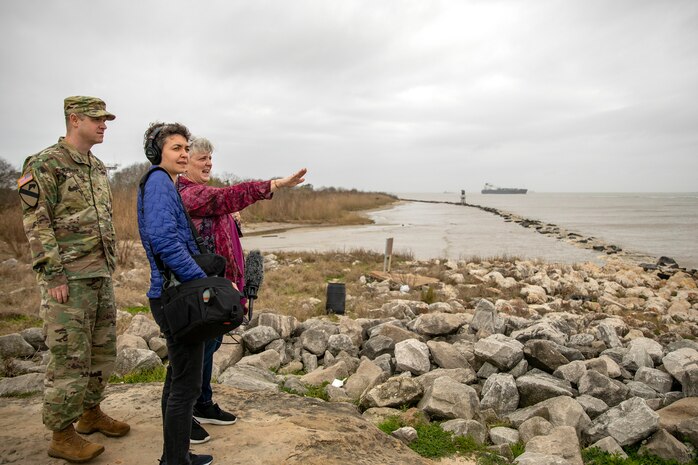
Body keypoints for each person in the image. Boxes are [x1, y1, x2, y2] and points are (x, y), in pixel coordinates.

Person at [18, 96, 129, 463]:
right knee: (69, 356)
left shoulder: (96, 167)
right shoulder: (44, 163)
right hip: (68, 278)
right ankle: (61, 434)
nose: (103, 125)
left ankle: (90, 413)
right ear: (74, 119)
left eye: (106, 119)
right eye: (97, 119)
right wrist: (52, 273)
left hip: (99, 273)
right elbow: (38, 222)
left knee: (101, 349)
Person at [178, 137, 306, 443]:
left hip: (223, 285)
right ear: (186, 163)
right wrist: (274, 184)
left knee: (210, 346)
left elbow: (222, 222)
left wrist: (231, 218)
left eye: (210, 158)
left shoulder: (203, 194)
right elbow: (225, 198)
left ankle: (203, 403)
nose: (208, 163)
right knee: (197, 352)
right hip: (203, 287)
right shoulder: (186, 192)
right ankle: (185, 415)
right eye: (202, 159)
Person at [137, 123, 214, 465]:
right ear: (158, 153)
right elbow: (165, 242)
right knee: (186, 386)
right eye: (176, 148)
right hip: (175, 295)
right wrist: (202, 283)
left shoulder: (165, 183)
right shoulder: (158, 183)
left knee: (178, 377)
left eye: (186, 148)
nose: (184, 154)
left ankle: (175, 454)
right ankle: (175, 460)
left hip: (171, 293)